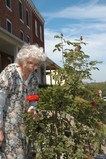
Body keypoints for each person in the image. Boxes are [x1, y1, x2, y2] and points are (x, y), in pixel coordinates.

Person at [0, 44, 47, 158]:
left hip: (26, 126)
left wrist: (32, 108)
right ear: (22, 60)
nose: (33, 67)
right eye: (30, 63)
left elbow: (34, 98)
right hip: (8, 126)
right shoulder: (10, 72)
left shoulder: (34, 77)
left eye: (36, 64)